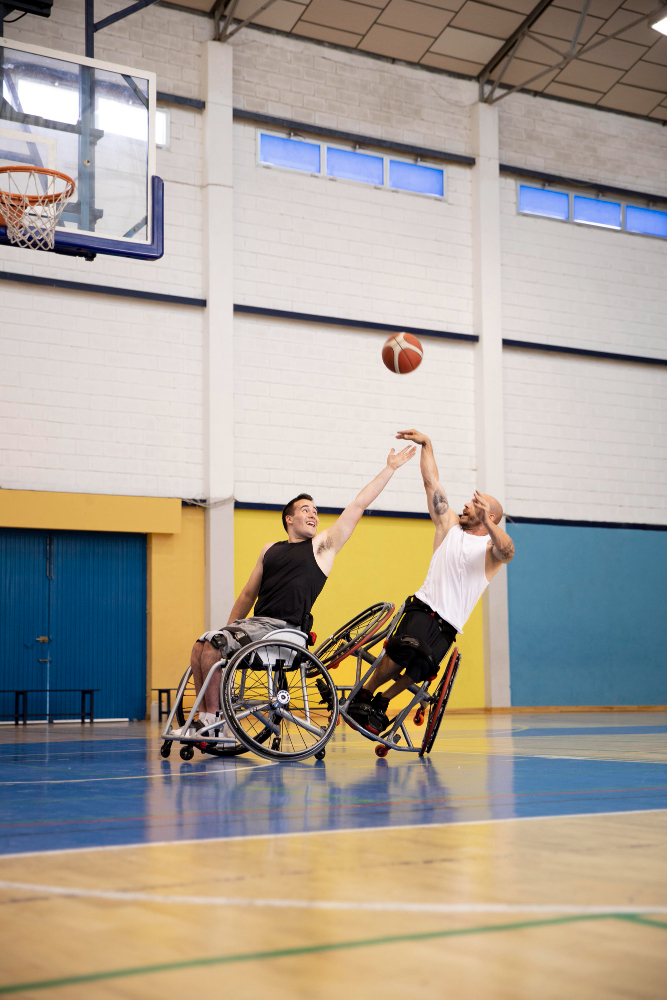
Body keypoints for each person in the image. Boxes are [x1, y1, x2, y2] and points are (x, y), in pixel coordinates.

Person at [183, 444, 416, 734]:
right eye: (306, 510)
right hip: (254, 626)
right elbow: (247, 595)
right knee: (200, 647)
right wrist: (229, 628)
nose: (314, 515)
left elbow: (357, 505)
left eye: (316, 511)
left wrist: (390, 468)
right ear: (288, 519)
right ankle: (207, 719)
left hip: (285, 629)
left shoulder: (322, 548)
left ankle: (215, 722)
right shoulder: (270, 550)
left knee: (214, 645)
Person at [347, 428, 515, 735]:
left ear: (488, 515)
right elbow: (432, 483)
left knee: (423, 666)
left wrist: (490, 524)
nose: (466, 506)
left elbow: (508, 551)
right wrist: (427, 444)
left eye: (475, 505)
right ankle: (364, 692)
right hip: (424, 608)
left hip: (449, 625)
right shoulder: (449, 525)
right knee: (404, 649)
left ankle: (383, 701)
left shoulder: (490, 551)